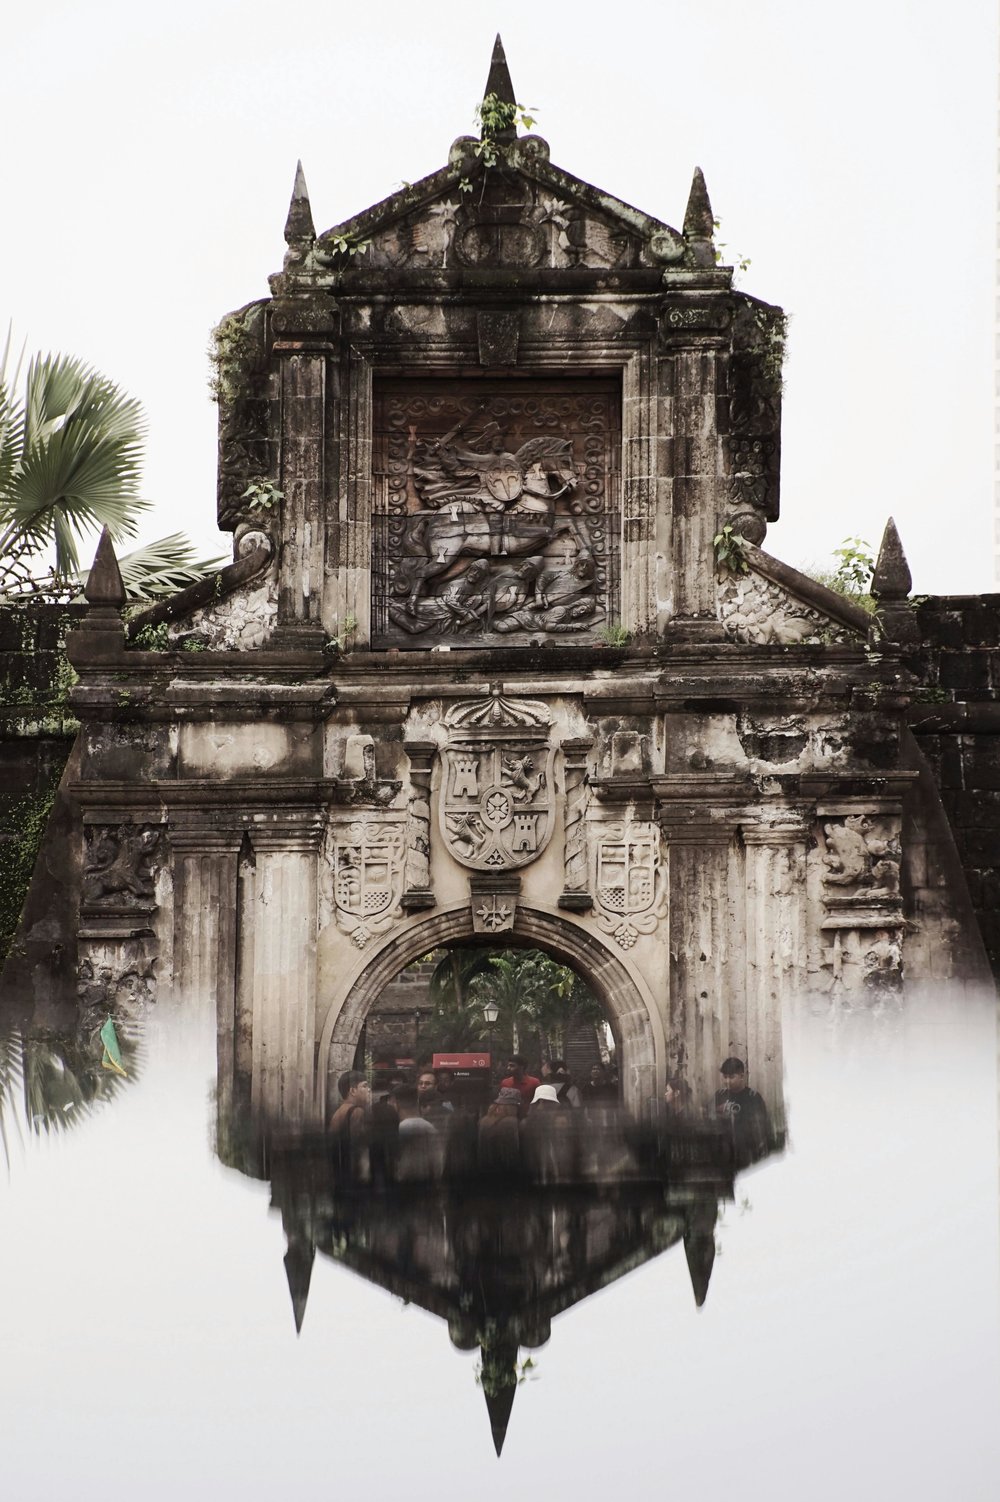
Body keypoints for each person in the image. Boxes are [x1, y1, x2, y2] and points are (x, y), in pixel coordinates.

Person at [714, 1057, 769, 1165]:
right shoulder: (719, 1095)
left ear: (742, 1076)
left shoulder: (753, 1097)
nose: (727, 1081)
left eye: (731, 1077)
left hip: (747, 1154)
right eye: (725, 1077)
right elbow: (710, 1121)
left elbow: (760, 1129)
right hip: (723, 1154)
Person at [328, 1070, 371, 1138]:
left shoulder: (340, 1110)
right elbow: (358, 1145)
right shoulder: (356, 1111)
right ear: (353, 1091)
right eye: (364, 1086)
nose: (369, 1089)